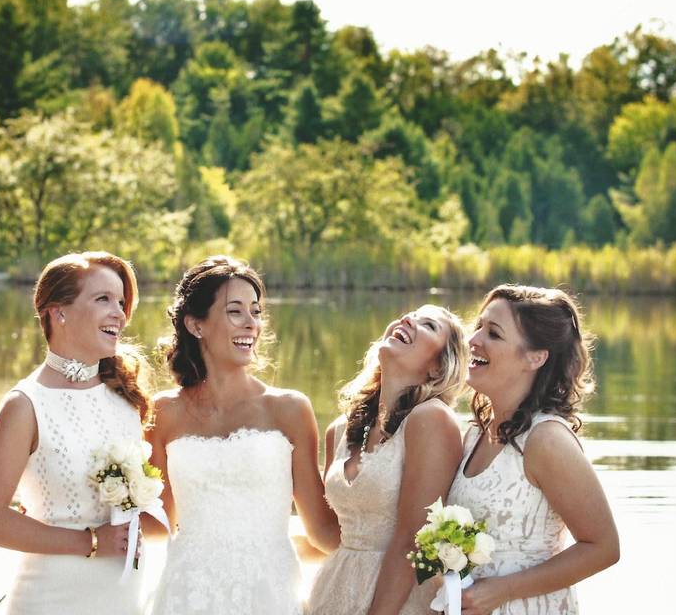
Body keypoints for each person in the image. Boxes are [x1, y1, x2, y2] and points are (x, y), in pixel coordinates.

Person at [145, 255, 338, 615]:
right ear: (195, 324)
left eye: (256, 312)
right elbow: (156, 525)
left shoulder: (290, 409)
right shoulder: (162, 413)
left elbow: (322, 529)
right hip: (188, 593)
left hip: (270, 592)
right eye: (236, 311)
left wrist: (388, 542)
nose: (252, 324)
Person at [0, 251, 150, 615]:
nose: (120, 313)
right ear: (58, 312)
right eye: (103, 299)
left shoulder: (126, 397)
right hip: (54, 597)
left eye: (121, 302)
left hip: (122, 596)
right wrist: (92, 542)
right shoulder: (26, 404)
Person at [448, 285, 620, 615]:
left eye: (494, 334)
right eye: (479, 326)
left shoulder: (547, 440)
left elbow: (603, 548)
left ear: (535, 357)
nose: (474, 340)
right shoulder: (472, 436)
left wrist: (501, 591)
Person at [307, 304, 469, 615]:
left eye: (429, 325)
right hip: (333, 592)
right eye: (411, 315)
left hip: (398, 601)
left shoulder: (431, 419)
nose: (407, 319)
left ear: (438, 368)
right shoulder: (339, 431)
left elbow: (413, 539)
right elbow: (335, 533)